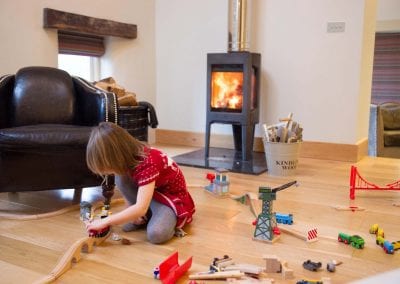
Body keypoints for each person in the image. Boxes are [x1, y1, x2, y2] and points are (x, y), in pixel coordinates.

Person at [85, 122, 195, 244]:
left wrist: (106, 221)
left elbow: (140, 208)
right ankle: (145, 214)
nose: (107, 173)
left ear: (117, 155)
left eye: (107, 168)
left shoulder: (148, 163)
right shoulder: (126, 159)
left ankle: (161, 217)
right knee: (121, 177)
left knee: (157, 234)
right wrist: (131, 209)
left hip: (169, 198)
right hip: (149, 192)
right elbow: (126, 185)